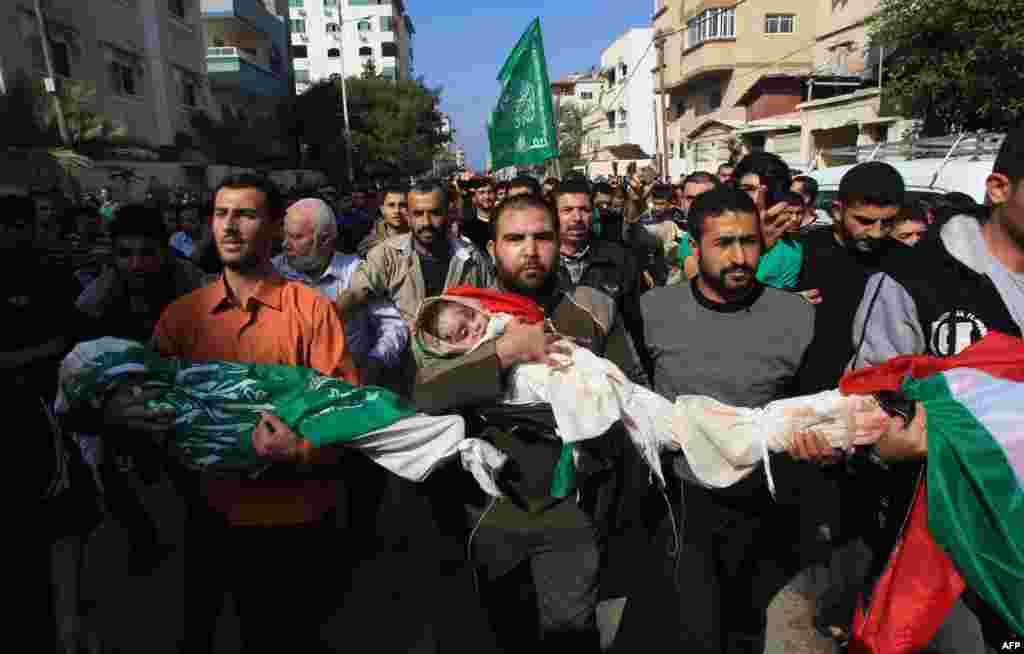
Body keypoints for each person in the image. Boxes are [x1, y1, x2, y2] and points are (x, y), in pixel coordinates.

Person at [99, 174, 359, 654]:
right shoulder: (182, 317)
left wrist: (301, 448)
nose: (230, 226)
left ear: (275, 227)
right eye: (221, 214)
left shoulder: (311, 312)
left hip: (295, 522)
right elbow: (145, 397)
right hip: (205, 519)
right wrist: (129, 412)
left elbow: (345, 411)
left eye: (246, 214)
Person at [799, 130, 1024, 653]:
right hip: (945, 549)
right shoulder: (915, 281)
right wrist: (915, 438)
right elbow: (873, 410)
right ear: (997, 187)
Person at [414, 194, 647, 653]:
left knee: (572, 637)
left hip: (572, 509)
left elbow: (633, 397)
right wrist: (505, 352)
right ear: (493, 247)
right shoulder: (456, 313)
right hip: (492, 511)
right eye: (514, 238)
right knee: (506, 634)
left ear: (559, 242)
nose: (530, 249)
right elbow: (426, 395)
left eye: (542, 236)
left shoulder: (592, 308)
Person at [615, 186, 817, 654]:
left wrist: (818, 446)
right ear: (694, 243)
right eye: (723, 244)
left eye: (749, 241)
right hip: (684, 499)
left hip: (764, 500)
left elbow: (812, 406)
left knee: (745, 622)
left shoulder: (797, 316)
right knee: (693, 627)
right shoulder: (653, 311)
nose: (740, 256)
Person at [273, 197, 407, 388]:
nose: (285, 244)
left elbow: (393, 325)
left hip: (349, 389)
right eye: (284, 236)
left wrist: (375, 362)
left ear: (326, 239)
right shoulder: (272, 274)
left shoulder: (357, 272)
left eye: (296, 237)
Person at [341, 180, 494, 328]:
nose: (426, 222)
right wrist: (331, 316)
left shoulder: (472, 259)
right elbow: (356, 291)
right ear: (408, 216)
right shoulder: (387, 255)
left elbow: (494, 304)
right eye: (418, 214)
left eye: (435, 213)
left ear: (448, 212)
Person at [553, 178, 649, 381]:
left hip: (614, 375)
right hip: (558, 374)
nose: (577, 217)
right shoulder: (542, 263)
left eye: (584, 210)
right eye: (567, 210)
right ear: (554, 215)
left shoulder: (619, 259)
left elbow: (636, 323)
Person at [357, 183, 410, 258]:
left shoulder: (419, 240)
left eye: (402, 205)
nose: (397, 210)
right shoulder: (369, 245)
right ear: (382, 209)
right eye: (391, 205)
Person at [462, 177, 497, 252]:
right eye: (482, 192)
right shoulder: (467, 228)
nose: (487, 196)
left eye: (490, 192)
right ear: (474, 197)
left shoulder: (503, 222)